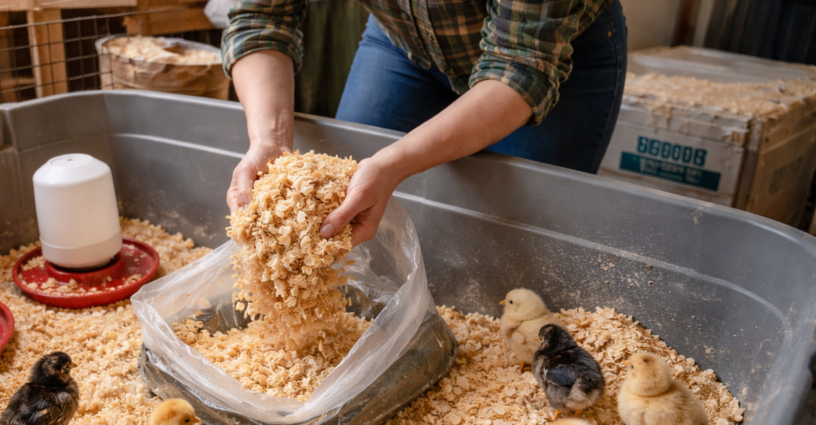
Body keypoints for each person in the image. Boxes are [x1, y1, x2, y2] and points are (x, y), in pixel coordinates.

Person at [221, 0, 627, 246]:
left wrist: (394, 163)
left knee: (516, 239)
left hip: (549, 57)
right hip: (404, 42)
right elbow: (259, 19)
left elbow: (520, 65)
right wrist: (270, 141)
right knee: (344, 205)